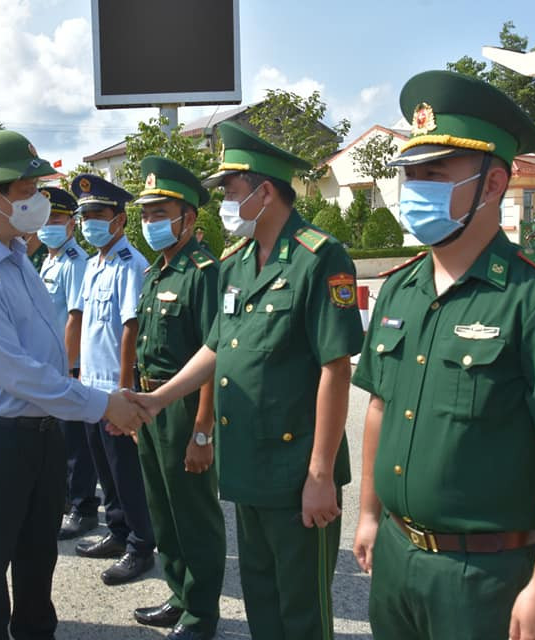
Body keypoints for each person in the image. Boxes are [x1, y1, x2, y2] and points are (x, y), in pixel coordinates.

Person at [350, 70, 535, 640]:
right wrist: (370, 515)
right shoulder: (401, 288)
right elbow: (379, 407)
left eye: (435, 174)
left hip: (484, 576)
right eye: (410, 174)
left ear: (493, 184)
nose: (415, 189)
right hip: (396, 559)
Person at [125, 122, 363, 640]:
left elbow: (335, 368)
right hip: (248, 467)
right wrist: (156, 399)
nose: (225, 204)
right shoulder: (236, 265)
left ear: (265, 191)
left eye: (231, 192)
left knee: (301, 612)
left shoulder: (319, 258)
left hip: (297, 469)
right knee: (262, 601)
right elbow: (215, 347)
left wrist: (321, 474)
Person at [0, 128, 148, 640]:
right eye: (28, 191)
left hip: (39, 434)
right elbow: (17, 372)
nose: (39, 202)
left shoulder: (15, 255)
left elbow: (45, 350)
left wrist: (91, 402)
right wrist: (102, 405)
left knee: (36, 564)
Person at [130, 156, 225, 640]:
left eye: (160, 213)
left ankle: (201, 614)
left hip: (185, 410)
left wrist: (203, 430)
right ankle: (178, 594)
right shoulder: (156, 272)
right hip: (151, 408)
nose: (151, 222)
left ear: (188, 217)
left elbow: (214, 352)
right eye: (145, 214)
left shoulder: (204, 272)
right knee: (163, 509)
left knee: (194, 515)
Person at [71, 173, 157, 585]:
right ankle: (118, 532)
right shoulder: (93, 264)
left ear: (119, 220)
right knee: (105, 470)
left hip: (115, 391)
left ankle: (141, 545)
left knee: (126, 473)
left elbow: (131, 328)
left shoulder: (131, 264)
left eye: (98, 214)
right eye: (84, 215)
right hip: (91, 388)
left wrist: (125, 392)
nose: (89, 222)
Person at [35, 187, 101, 540]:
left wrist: (71, 367)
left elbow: (75, 317)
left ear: (71, 226)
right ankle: (65, 498)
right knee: (59, 440)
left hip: (68, 366)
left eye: (57, 219)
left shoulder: (76, 262)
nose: (49, 225)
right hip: (51, 364)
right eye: (45, 219)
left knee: (74, 443)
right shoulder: (50, 259)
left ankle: (83, 507)